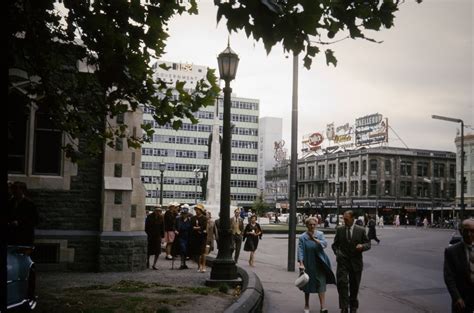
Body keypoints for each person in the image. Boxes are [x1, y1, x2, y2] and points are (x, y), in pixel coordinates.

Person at [332, 210, 371, 313]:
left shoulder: (361, 230)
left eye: (346, 219)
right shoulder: (340, 230)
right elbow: (334, 245)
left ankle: (353, 306)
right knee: (342, 284)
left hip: (356, 263)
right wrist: (337, 253)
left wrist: (362, 246)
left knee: (354, 286)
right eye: (343, 219)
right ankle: (344, 307)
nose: (344, 221)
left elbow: (368, 243)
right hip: (343, 262)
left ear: (353, 219)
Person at [298, 217, 336, 313]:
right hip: (308, 261)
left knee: (321, 283)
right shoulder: (302, 237)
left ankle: (323, 306)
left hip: (320, 261)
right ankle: (306, 304)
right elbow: (300, 250)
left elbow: (325, 244)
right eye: (310, 224)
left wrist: (314, 239)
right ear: (306, 225)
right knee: (307, 283)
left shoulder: (320, 234)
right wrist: (301, 263)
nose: (312, 226)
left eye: (314, 224)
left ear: (316, 224)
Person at [443, 218, 474, 313]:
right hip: (462, 301)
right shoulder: (451, 251)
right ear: (461, 231)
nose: (469, 234)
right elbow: (449, 277)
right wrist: (457, 298)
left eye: (472, 231)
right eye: (466, 231)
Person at [7, 181, 39, 245]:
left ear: (23, 190)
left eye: (16, 189)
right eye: (13, 189)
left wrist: (19, 222)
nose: (14, 192)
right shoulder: (10, 202)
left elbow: (35, 220)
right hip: (12, 237)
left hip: (24, 237)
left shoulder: (29, 204)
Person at [145, 205, 165, 269]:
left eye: (159, 211)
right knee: (149, 251)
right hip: (150, 236)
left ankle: (154, 264)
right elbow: (146, 227)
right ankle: (147, 262)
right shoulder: (149, 217)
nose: (158, 212)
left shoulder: (161, 217)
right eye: (157, 211)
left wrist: (162, 237)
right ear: (154, 210)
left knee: (157, 251)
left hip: (157, 236)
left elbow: (162, 227)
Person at [189, 203, 208, 272]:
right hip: (195, 237)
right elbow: (191, 226)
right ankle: (199, 266)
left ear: (201, 210)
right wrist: (196, 228)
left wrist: (198, 228)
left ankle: (203, 266)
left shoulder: (204, 218)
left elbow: (204, 227)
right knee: (197, 253)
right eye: (196, 210)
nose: (197, 211)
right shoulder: (193, 218)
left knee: (203, 252)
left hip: (202, 237)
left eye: (198, 210)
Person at [174, 205, 192, 269]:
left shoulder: (190, 220)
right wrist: (175, 231)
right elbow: (174, 227)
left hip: (187, 236)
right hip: (180, 236)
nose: (184, 215)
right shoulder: (178, 219)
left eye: (185, 214)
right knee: (182, 249)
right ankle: (182, 263)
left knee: (186, 250)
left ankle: (184, 263)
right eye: (183, 213)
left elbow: (191, 228)